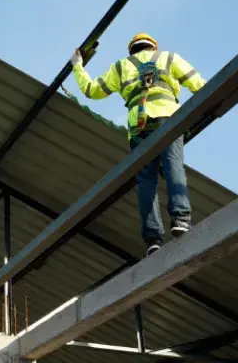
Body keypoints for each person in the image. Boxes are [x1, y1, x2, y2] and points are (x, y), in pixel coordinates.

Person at [69, 33, 207, 256]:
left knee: (146, 181)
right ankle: (180, 218)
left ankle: (153, 238)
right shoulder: (169, 57)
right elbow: (199, 85)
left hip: (139, 127)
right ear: (153, 47)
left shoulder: (121, 67)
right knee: (173, 166)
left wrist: (78, 66)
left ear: (131, 50)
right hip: (168, 118)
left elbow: (92, 91)